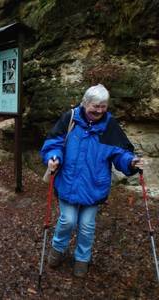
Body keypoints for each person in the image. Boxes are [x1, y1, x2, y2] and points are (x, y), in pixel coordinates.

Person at [40, 84, 144, 278]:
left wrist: (131, 162)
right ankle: (57, 249)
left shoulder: (110, 126)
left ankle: (82, 259)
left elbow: (120, 153)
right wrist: (53, 157)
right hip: (68, 183)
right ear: (84, 103)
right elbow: (53, 143)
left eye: (103, 106)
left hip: (94, 186)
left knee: (87, 226)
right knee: (68, 221)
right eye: (95, 105)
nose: (99, 110)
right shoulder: (69, 119)